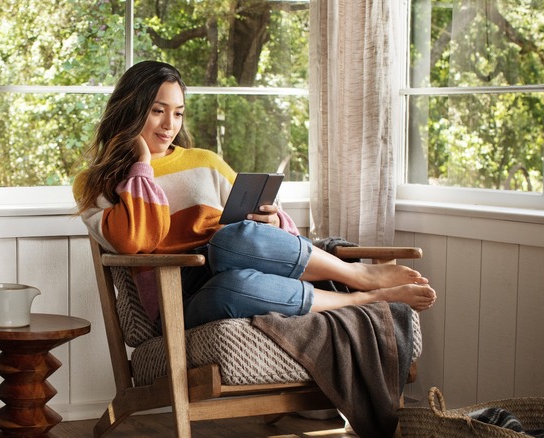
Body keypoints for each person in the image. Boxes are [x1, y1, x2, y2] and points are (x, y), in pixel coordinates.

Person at [74, 60, 436, 329]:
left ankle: (361, 279)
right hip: (179, 297)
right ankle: (364, 299)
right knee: (230, 286)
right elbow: (131, 242)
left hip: (235, 259)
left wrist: (272, 219)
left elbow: (272, 232)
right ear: (132, 109)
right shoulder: (96, 183)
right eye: (158, 111)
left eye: (179, 114)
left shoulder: (205, 162)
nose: (170, 125)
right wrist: (140, 166)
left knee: (230, 241)